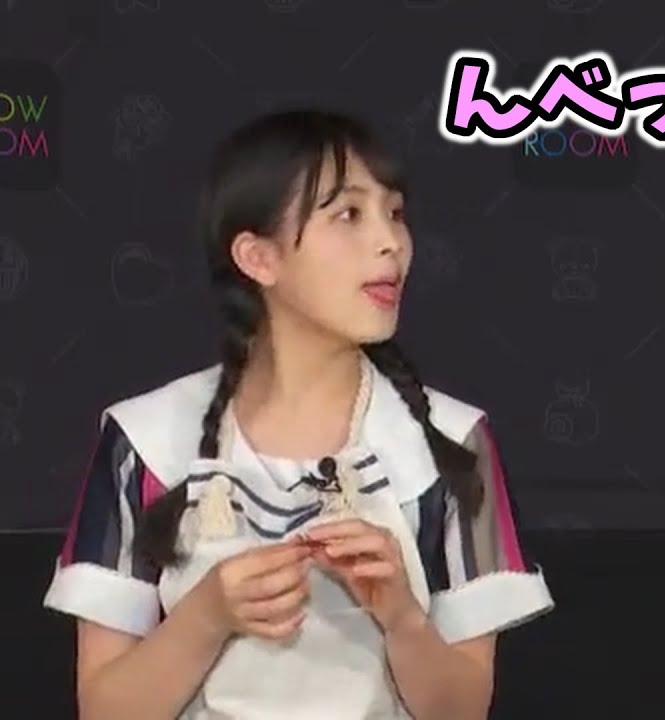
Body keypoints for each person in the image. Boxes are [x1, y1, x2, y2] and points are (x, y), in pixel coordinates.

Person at [43, 110, 553, 719]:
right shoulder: (145, 440)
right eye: (349, 215)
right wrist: (206, 615)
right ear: (258, 258)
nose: (391, 243)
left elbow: (463, 711)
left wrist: (402, 617)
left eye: (395, 213)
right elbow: (104, 711)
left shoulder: (452, 441)